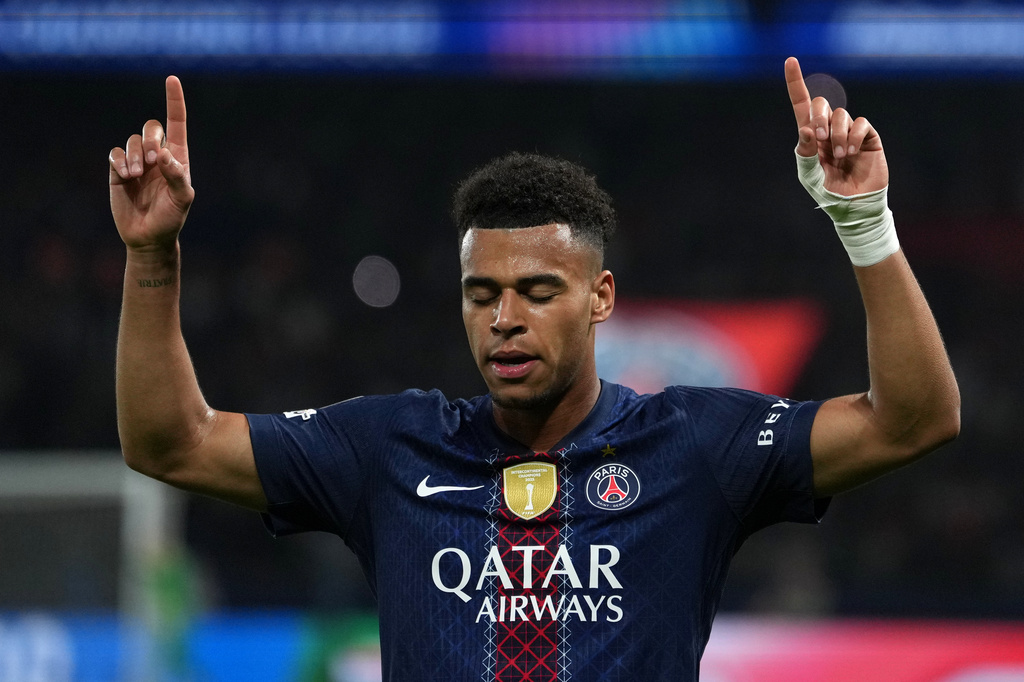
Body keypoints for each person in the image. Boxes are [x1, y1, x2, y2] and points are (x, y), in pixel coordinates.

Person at [108, 57, 959, 681]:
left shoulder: (693, 443)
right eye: (482, 294)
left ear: (601, 297)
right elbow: (170, 445)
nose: (505, 318)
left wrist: (863, 223)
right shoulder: (388, 446)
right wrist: (153, 256)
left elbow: (915, 420)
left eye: (538, 291)